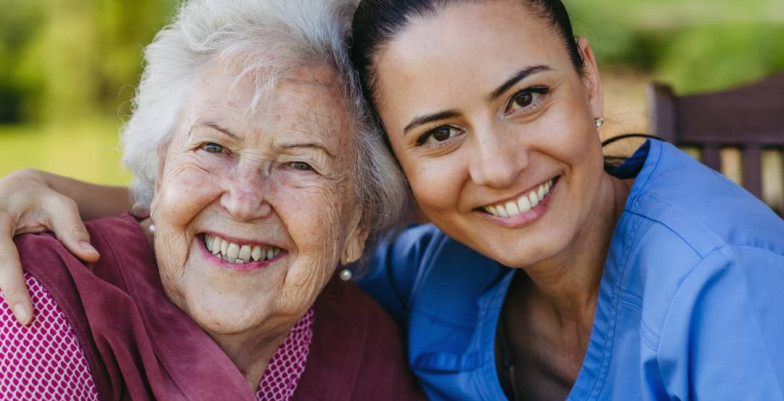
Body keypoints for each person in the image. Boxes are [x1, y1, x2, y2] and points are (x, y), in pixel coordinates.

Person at [2, 0, 784, 400]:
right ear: (403, 175)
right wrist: (83, 191)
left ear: (587, 76)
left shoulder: (731, 284)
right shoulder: (435, 272)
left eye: (527, 98)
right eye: (440, 133)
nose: (501, 165)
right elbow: (277, 233)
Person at [0, 0, 427, 400]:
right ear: (162, 167)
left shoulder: (371, 350)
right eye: (213, 148)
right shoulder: (39, 298)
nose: (243, 201)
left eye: (300, 165)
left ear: (358, 225)